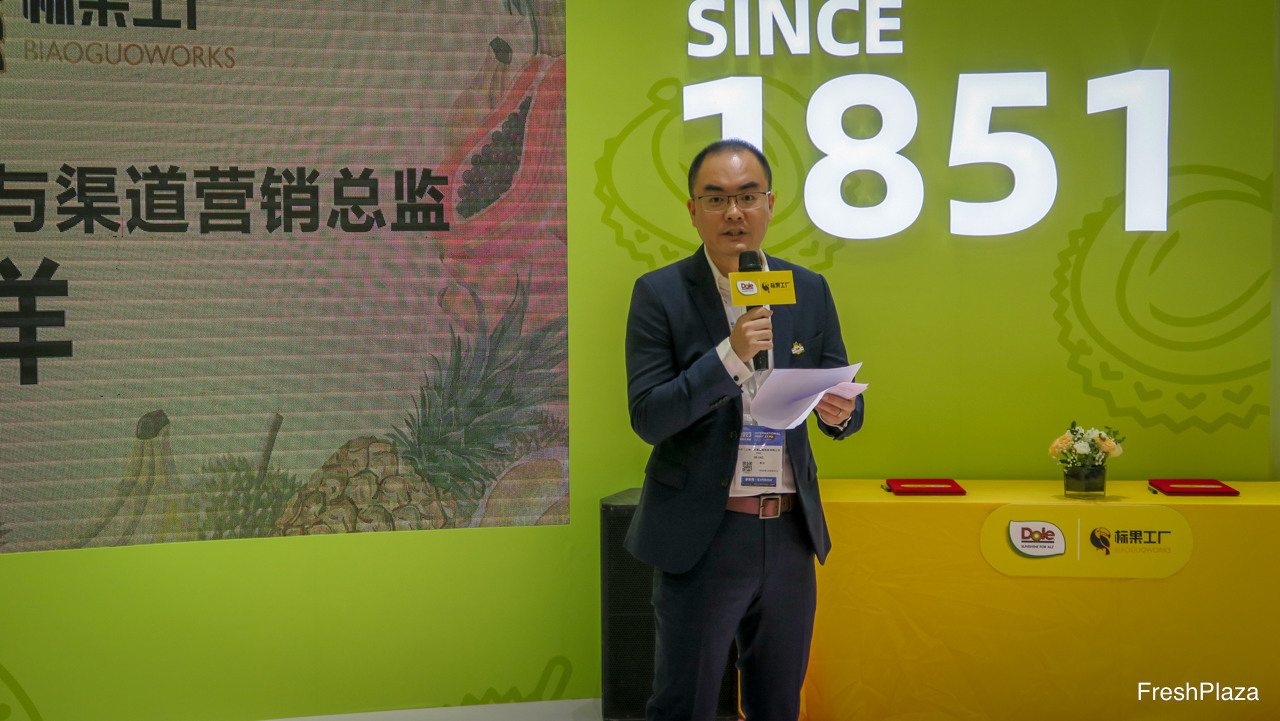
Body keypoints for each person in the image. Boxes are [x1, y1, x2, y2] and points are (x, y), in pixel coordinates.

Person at [624, 138, 865, 721]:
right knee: (685, 704)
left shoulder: (808, 289)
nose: (733, 212)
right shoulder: (660, 294)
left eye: (747, 196)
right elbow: (650, 416)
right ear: (693, 210)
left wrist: (841, 414)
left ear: (770, 204)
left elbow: (840, 390)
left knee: (778, 703)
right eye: (716, 199)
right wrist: (729, 357)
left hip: (788, 533)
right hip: (704, 535)